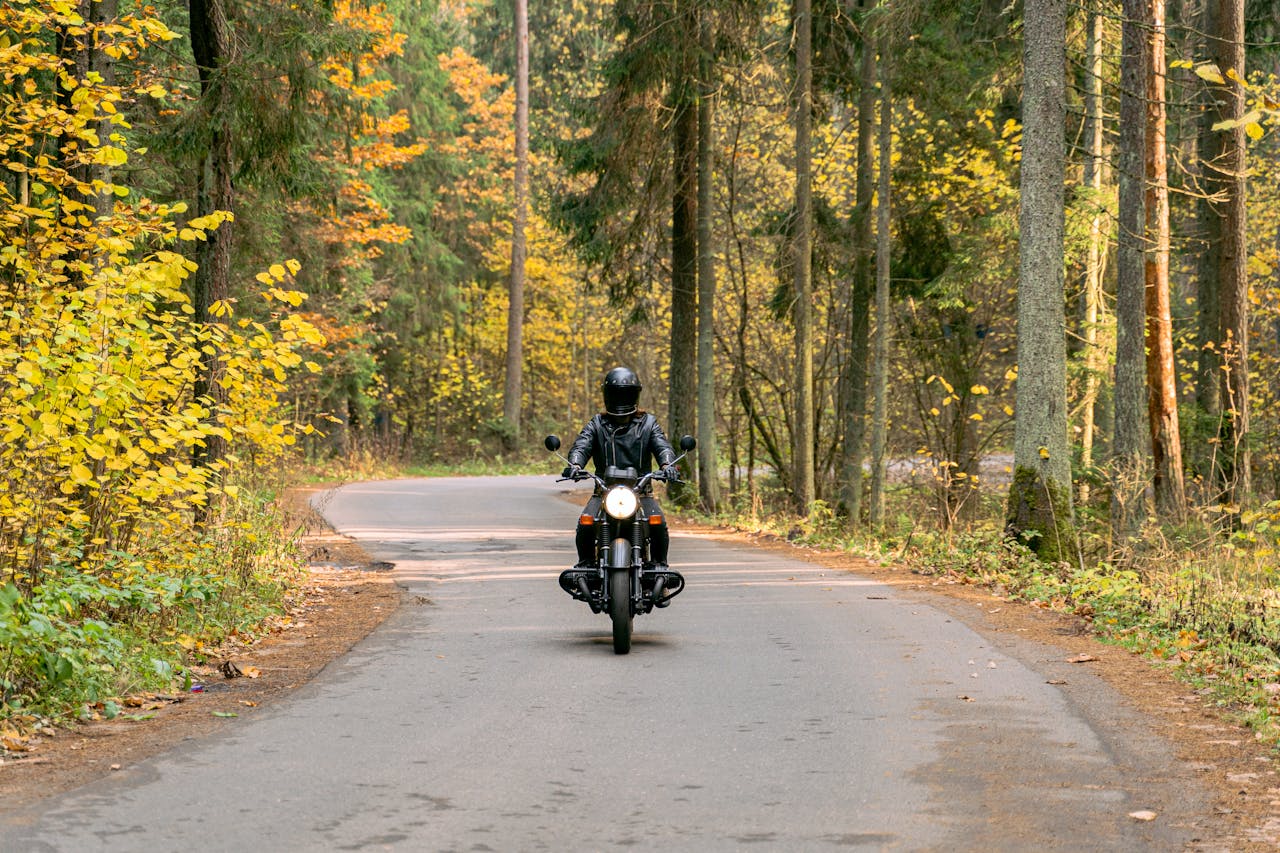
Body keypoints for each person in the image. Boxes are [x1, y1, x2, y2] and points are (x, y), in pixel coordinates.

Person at [563, 366, 679, 568]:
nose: (620, 399)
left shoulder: (648, 423)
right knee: (586, 522)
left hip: (641, 492)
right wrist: (574, 464)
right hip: (604, 491)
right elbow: (582, 445)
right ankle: (585, 565)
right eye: (616, 394)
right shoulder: (597, 423)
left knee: (657, 522)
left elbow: (662, 445)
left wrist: (668, 463)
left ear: (635, 395)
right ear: (607, 395)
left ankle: (661, 568)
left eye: (625, 394)